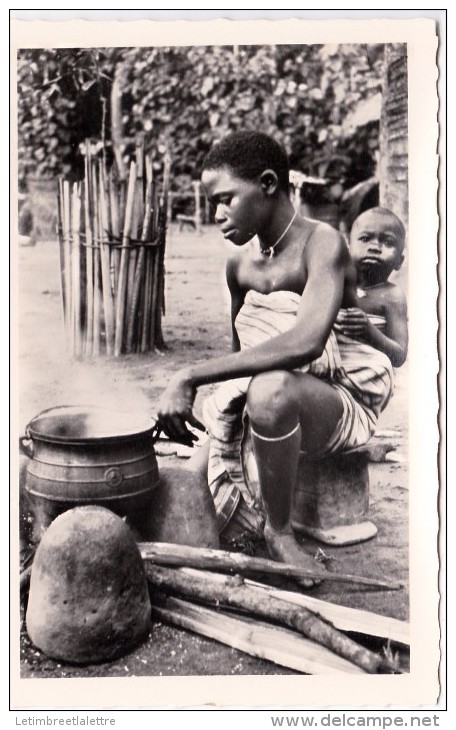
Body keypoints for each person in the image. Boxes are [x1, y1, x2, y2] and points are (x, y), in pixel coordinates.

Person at [156, 131, 394, 582]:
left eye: (226, 198)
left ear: (268, 184)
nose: (217, 214)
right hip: (263, 399)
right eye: (212, 203)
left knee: (269, 390)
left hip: (333, 398)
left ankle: (280, 533)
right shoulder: (239, 265)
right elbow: (240, 361)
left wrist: (189, 375)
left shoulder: (322, 244)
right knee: (181, 496)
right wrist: (215, 429)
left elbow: (304, 342)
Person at [335, 207, 408, 368]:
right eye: (365, 239)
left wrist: (369, 331)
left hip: (371, 370)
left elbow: (400, 356)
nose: (374, 247)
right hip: (334, 364)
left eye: (388, 242)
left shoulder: (392, 295)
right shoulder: (336, 285)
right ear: (348, 247)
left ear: (399, 262)